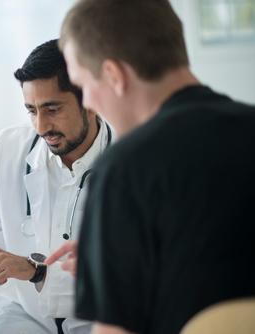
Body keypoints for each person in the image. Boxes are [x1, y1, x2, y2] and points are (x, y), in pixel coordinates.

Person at [46, 1, 255, 334]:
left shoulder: (122, 171)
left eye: (83, 86)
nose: (87, 103)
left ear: (114, 75)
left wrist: (114, 255)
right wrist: (122, 247)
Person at [0, 39, 112, 333]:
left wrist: (37, 273)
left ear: (92, 102)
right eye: (32, 110)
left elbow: (131, 277)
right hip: (24, 314)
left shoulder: (134, 162)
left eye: (52, 109)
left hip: (102, 318)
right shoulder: (5, 149)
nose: (41, 126)